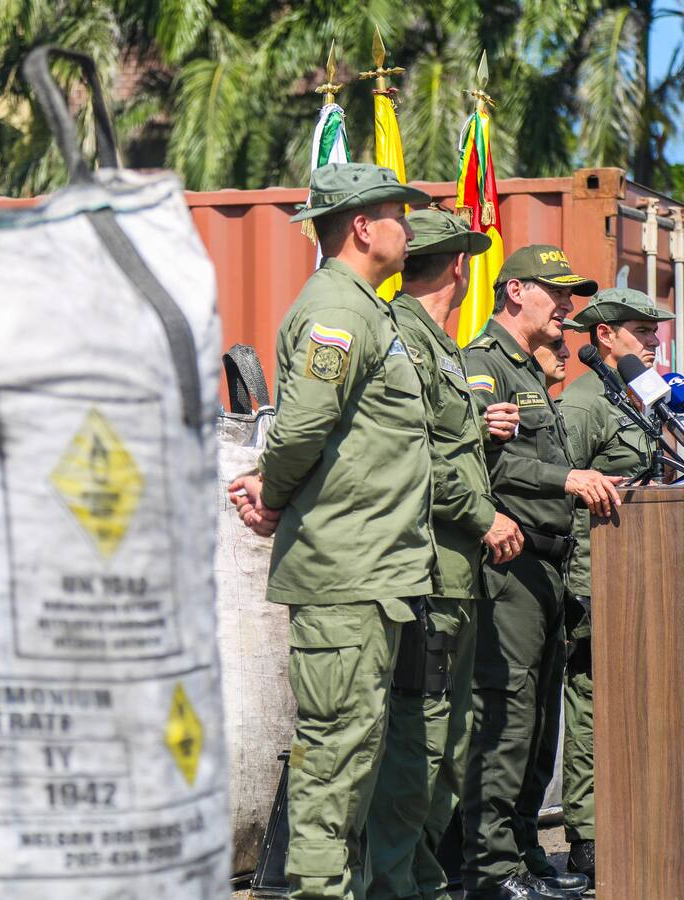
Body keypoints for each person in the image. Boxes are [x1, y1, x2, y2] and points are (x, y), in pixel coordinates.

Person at [228, 162, 436, 900]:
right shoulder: (337, 313)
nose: (410, 229)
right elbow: (306, 423)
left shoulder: (366, 309)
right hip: (348, 574)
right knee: (334, 761)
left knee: (372, 760)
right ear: (361, 226)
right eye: (398, 215)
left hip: (382, 572)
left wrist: (277, 489)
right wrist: (274, 493)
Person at [365, 208, 525, 900]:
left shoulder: (436, 343)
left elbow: (446, 440)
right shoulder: (407, 338)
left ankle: (423, 881)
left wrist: (482, 433)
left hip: (454, 578)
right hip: (426, 574)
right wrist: (483, 512)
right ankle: (395, 886)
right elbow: (418, 455)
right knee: (420, 750)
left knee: (449, 749)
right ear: (459, 266)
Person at [460, 245, 623, 900]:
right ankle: (491, 869)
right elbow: (486, 469)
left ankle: (525, 854)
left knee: (538, 730)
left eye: (572, 294)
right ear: (514, 290)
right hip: (509, 568)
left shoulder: (531, 374)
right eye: (556, 291)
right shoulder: (483, 367)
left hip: (548, 569)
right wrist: (567, 476)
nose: (568, 305)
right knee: (507, 718)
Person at [554, 288, 673, 884]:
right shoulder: (584, 403)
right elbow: (558, 488)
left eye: (654, 331)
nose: (654, 341)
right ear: (606, 336)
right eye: (641, 330)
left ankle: (634, 815)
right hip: (592, 579)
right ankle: (589, 833)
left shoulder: (639, 399)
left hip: (639, 574)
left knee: (635, 701)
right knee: (594, 703)